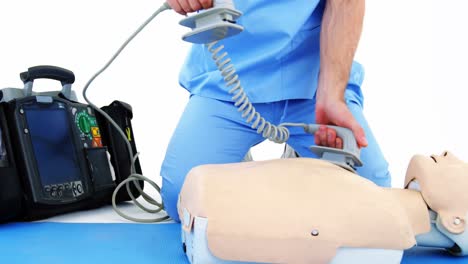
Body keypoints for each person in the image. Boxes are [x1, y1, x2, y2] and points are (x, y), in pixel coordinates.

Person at [161, 0, 390, 222]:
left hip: (315, 85)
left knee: (373, 200)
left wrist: (332, 95)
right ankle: (234, 160)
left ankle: (301, 161)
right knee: (182, 200)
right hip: (227, 82)